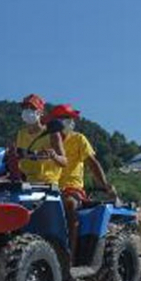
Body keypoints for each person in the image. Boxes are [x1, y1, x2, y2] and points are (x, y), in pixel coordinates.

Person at [49, 103, 116, 265]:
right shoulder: (47, 139)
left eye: (70, 118)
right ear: (55, 121)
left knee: (69, 205)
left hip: (72, 188)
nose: (69, 121)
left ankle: (69, 257)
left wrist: (105, 185)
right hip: (48, 186)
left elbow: (92, 163)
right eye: (65, 118)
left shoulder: (79, 139)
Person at [9, 93, 67, 184]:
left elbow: (64, 162)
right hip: (28, 182)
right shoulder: (21, 134)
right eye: (25, 108)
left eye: (32, 108)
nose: (28, 111)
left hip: (48, 184)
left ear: (40, 112)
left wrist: (54, 156)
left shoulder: (52, 133)